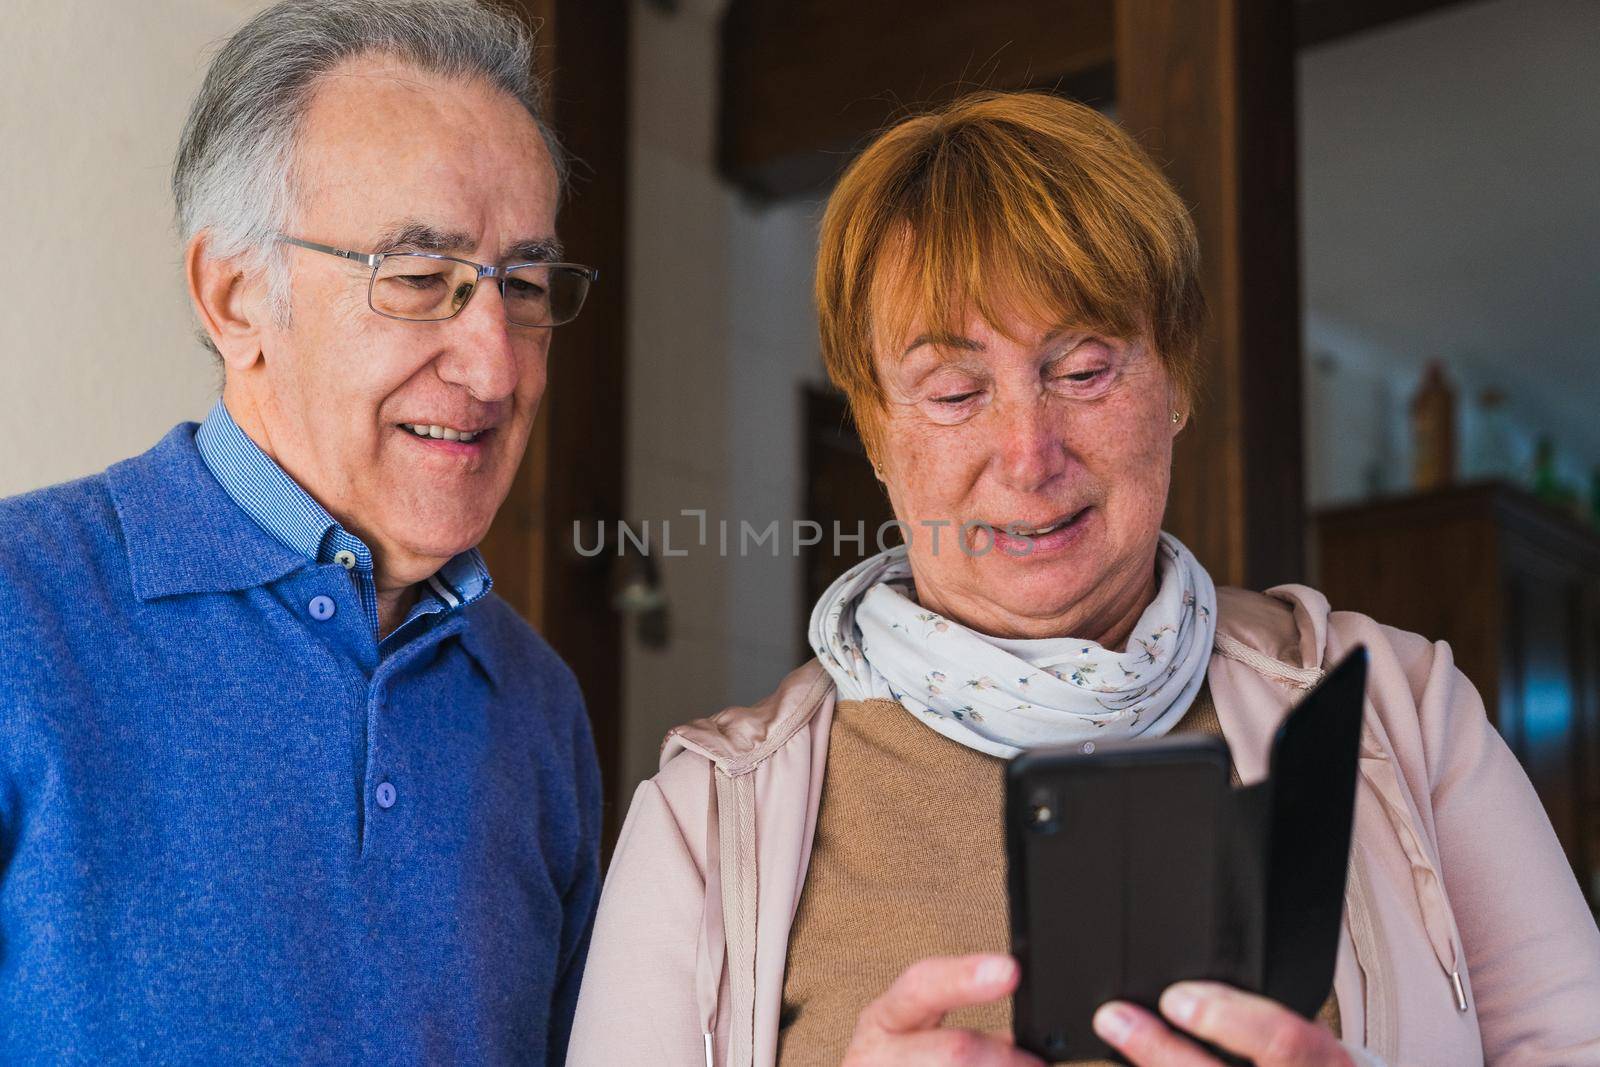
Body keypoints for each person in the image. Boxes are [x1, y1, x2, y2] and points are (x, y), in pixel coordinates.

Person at [567, 92, 1600, 1066]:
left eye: (1084, 369)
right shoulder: (709, 817)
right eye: (955, 388)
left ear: (1176, 378)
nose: (1028, 451)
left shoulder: (1400, 713)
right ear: (875, 431)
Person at [0, 1, 601, 1061]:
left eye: (524, 284)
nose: (496, 364)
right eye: (421, 279)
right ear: (234, 298)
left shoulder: (540, 704)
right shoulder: (19, 610)